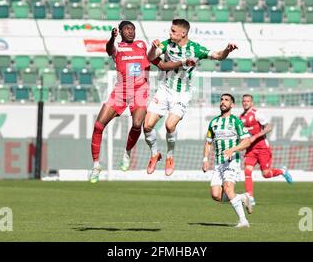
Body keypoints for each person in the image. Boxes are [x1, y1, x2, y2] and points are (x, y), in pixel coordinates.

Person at [89, 21, 195, 183]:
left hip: (140, 91)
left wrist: (181, 63)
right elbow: (109, 49)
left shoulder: (142, 46)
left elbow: (162, 65)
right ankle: (96, 165)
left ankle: (127, 152)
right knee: (98, 126)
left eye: (132, 29)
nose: (130, 32)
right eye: (127, 29)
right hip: (121, 91)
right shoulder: (118, 47)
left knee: (138, 124)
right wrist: (112, 38)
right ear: (121, 32)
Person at [144, 19, 239, 176]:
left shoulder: (195, 49)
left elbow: (218, 56)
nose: (170, 33)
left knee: (169, 125)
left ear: (183, 33)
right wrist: (153, 48)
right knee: (147, 126)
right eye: (170, 30)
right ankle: (154, 154)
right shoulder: (166, 44)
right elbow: (150, 58)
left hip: (182, 94)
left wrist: (227, 50)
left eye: (173, 31)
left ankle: (170, 156)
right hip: (164, 89)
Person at [203, 93, 253, 228]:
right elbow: (208, 143)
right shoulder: (213, 122)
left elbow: (247, 141)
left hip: (232, 161)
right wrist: (205, 159)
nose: (222, 102)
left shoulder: (236, 121)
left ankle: (243, 221)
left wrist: (233, 149)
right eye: (221, 100)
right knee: (215, 195)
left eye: (226, 100)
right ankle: (242, 197)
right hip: (219, 163)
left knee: (228, 187)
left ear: (232, 105)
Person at [239, 94, 293, 206]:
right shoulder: (240, 117)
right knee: (247, 171)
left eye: (248, 101)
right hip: (250, 150)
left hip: (262, 148)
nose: (245, 103)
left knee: (266, 174)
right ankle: (250, 197)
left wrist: (255, 136)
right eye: (244, 101)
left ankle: (282, 171)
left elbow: (269, 127)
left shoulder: (257, 113)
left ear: (251, 103)